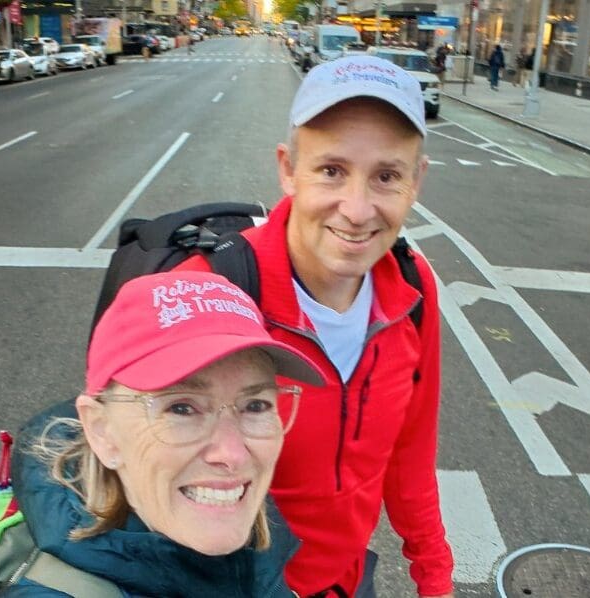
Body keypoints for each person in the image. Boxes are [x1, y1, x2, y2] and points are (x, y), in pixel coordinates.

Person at [176, 55, 455, 597]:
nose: (357, 208)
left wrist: (435, 580)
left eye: (386, 176)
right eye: (332, 170)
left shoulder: (413, 290)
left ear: (416, 181)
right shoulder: (212, 290)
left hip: (346, 583)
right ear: (288, 170)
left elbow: (410, 458)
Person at [7, 271, 324, 597]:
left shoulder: (239, 524)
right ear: (103, 432)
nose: (232, 454)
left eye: (255, 406)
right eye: (182, 409)